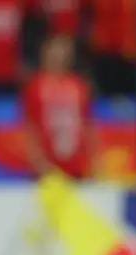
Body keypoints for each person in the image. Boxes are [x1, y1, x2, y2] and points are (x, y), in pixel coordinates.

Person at [22, 35, 94, 179]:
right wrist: (38, 161)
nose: (59, 57)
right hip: (46, 168)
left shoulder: (79, 86)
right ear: (45, 54)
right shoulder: (35, 87)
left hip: (76, 165)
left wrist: (94, 160)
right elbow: (29, 128)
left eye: (63, 52)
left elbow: (88, 125)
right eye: (55, 52)